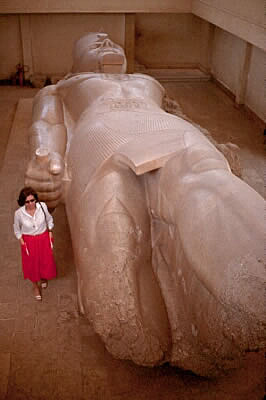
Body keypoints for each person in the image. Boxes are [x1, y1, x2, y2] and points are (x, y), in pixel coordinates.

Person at [24, 33, 265, 376]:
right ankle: (167, 318)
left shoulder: (147, 81)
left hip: (170, 130)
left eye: (109, 39)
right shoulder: (62, 88)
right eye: (94, 41)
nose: (106, 40)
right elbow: (46, 125)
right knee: (118, 235)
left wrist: (215, 143)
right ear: (74, 62)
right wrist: (44, 163)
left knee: (204, 177)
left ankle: (246, 281)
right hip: (104, 137)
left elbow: (186, 117)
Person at [14, 186, 56, 301]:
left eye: (32, 200)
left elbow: (49, 219)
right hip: (29, 241)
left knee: (45, 261)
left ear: (36, 199)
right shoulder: (19, 213)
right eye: (27, 202)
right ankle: (35, 287)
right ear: (23, 202)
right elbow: (17, 229)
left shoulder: (42, 206)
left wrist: (50, 231)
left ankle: (43, 278)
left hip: (43, 238)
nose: (30, 203)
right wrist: (21, 240)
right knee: (32, 265)